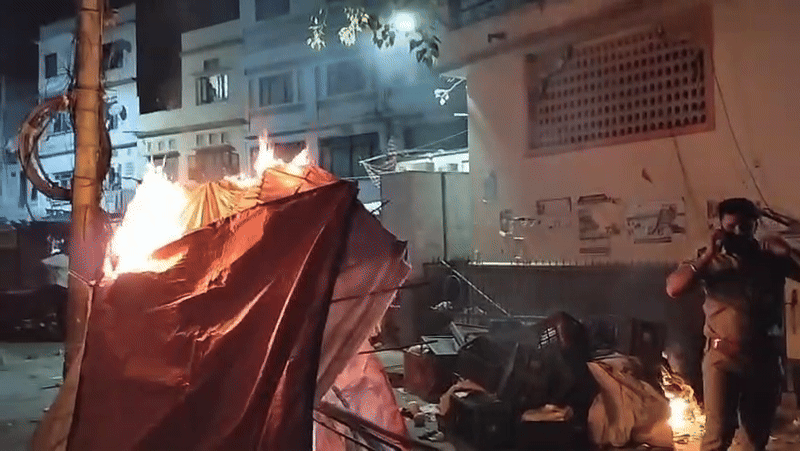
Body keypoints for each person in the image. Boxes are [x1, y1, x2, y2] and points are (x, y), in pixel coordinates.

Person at [666, 197, 800, 451]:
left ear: (755, 226)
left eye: (745, 227)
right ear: (720, 227)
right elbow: (674, 288)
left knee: (755, 438)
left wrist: (789, 252)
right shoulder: (711, 260)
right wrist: (709, 254)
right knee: (717, 436)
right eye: (731, 227)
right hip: (722, 358)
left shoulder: (770, 259)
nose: (738, 233)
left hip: (764, 359)